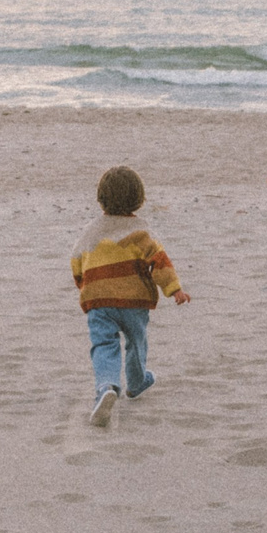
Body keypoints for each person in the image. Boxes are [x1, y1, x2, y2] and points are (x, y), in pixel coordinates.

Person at [69, 164, 192, 427]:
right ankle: (136, 383)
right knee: (136, 341)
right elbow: (159, 263)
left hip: (99, 301)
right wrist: (174, 290)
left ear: (100, 199)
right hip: (133, 301)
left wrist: (85, 287)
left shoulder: (91, 231)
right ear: (139, 200)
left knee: (103, 345)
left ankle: (106, 387)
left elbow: (77, 262)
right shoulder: (141, 232)